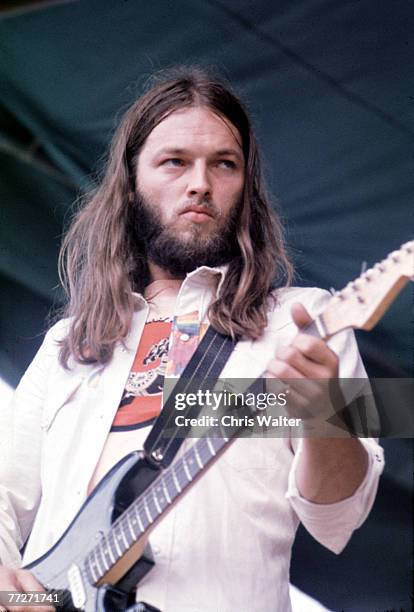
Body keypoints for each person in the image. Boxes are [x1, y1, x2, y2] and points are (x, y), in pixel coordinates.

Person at [0, 68, 384, 612]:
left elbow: (342, 516)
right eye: (175, 161)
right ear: (131, 183)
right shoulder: (70, 344)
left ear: (245, 187)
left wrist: (322, 413)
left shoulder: (304, 321)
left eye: (223, 164)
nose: (199, 183)